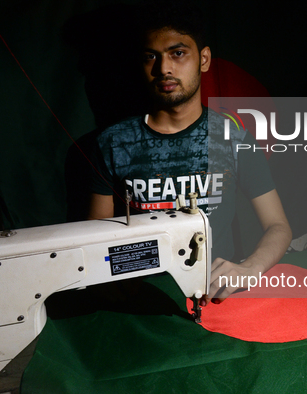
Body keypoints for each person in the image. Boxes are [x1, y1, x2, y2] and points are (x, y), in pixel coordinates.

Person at [87, 0, 291, 306]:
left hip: (215, 295)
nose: (164, 68)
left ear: (204, 59)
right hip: (140, 298)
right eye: (150, 57)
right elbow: (94, 237)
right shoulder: (112, 143)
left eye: (178, 53)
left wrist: (250, 268)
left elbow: (279, 226)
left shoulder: (233, 138)